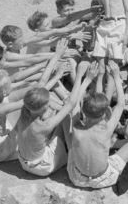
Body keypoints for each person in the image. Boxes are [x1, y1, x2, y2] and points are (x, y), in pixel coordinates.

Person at [16, 44, 98, 177]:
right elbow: (71, 103)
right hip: (42, 166)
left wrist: (56, 58)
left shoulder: (25, 109)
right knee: (66, 116)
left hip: (23, 160)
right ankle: (71, 150)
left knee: (60, 110)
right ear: (43, 106)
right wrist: (84, 78)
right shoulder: (44, 125)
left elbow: (41, 84)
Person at [64, 61, 128, 189]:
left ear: (83, 110)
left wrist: (86, 78)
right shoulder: (107, 129)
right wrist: (117, 76)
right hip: (103, 178)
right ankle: (114, 144)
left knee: (68, 125)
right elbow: (120, 104)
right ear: (104, 115)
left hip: (77, 178)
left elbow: (74, 101)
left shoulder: (77, 126)